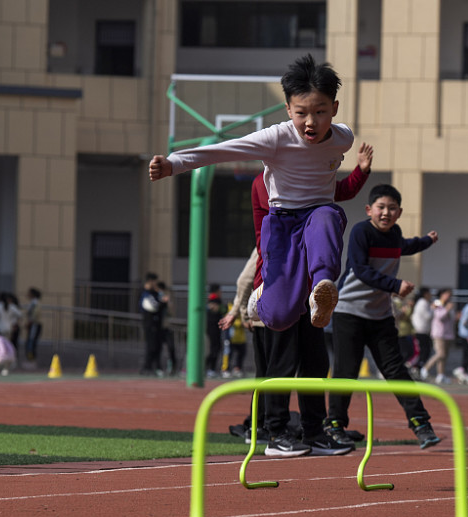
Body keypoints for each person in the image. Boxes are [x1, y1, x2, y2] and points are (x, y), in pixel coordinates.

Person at [149, 54, 353, 334]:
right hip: (282, 222)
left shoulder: (343, 138)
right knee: (280, 318)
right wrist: (174, 163)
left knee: (328, 216)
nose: (310, 122)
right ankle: (260, 300)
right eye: (301, 112)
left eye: (320, 112)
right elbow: (225, 149)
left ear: (334, 109)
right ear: (288, 109)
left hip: (317, 215)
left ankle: (322, 285)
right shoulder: (276, 138)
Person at [220, 143, 373, 450]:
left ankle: (313, 432)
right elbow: (310, 202)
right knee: (281, 364)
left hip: (308, 292)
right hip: (278, 285)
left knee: (316, 362)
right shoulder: (267, 183)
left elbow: (335, 192)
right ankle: (275, 432)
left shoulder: (305, 180)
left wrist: (361, 172)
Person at [324, 184, 442, 449]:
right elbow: (362, 270)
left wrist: (427, 241)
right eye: (381, 208)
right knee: (346, 371)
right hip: (349, 312)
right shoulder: (361, 232)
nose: (386, 213)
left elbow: (405, 246)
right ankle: (334, 425)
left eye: (392, 209)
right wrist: (395, 285)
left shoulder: (395, 234)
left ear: (399, 213)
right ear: (369, 210)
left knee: (396, 370)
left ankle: (421, 423)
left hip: (380, 316)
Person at [421, 289, 455, 384]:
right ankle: (425, 368)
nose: (448, 297)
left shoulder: (449, 305)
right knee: (440, 354)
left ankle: (441, 375)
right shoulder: (436, 304)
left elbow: (451, 319)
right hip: (438, 334)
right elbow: (439, 317)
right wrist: (447, 309)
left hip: (448, 334)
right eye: (447, 294)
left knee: (444, 357)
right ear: (442, 294)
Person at [139, 273, 164, 375]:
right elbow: (153, 306)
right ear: (150, 281)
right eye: (154, 282)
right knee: (151, 346)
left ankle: (156, 367)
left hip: (156, 323)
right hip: (150, 323)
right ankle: (147, 367)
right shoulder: (146, 294)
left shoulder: (154, 293)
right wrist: (162, 302)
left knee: (157, 346)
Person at [157, 282, 179, 375]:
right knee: (157, 348)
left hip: (167, 327)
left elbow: (172, 312)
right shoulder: (156, 299)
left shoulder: (167, 300)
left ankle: (173, 367)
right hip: (158, 327)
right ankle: (158, 367)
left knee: (171, 347)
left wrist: (167, 302)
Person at [409, 288, 433, 372]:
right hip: (420, 330)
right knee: (423, 351)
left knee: (425, 350)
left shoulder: (422, 302)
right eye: (429, 293)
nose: (431, 295)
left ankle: (417, 368)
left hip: (422, 330)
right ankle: (415, 367)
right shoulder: (423, 303)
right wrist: (433, 309)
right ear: (425, 294)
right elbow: (427, 316)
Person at [205, 284, 224, 378]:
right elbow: (221, 310)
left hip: (212, 328)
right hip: (213, 328)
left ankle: (209, 368)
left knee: (215, 348)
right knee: (214, 348)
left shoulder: (209, 300)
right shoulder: (215, 300)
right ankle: (210, 368)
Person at [23, 288, 42, 367]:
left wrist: (30, 322)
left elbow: (34, 315)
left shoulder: (35, 303)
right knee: (30, 342)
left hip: (34, 325)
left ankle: (31, 360)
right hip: (32, 324)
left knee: (31, 342)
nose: (27, 295)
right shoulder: (33, 303)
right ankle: (30, 359)